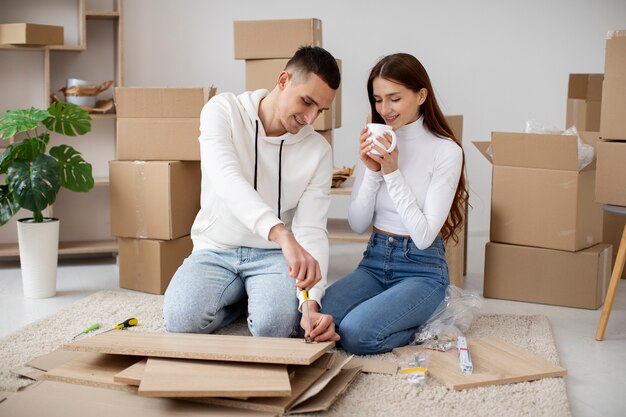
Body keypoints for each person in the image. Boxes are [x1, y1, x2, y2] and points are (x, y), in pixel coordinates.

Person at [163, 46, 341, 343]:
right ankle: (242, 302)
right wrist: (282, 234)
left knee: (274, 328)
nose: (311, 118)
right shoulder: (222, 111)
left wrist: (310, 304)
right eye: (307, 102)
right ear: (283, 80)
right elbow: (226, 179)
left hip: (274, 258)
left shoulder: (319, 151)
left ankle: (261, 299)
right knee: (181, 319)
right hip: (216, 247)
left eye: (320, 110)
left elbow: (312, 229)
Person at [321, 53, 468, 355]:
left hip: (421, 269)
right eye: (377, 100)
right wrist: (373, 171)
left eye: (395, 99)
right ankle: (392, 309)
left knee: (355, 335)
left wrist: (392, 172)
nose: (384, 110)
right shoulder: (379, 140)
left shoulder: (446, 151)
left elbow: (425, 235)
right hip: (375, 261)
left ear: (421, 95)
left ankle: (428, 322)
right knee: (317, 319)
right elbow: (358, 224)